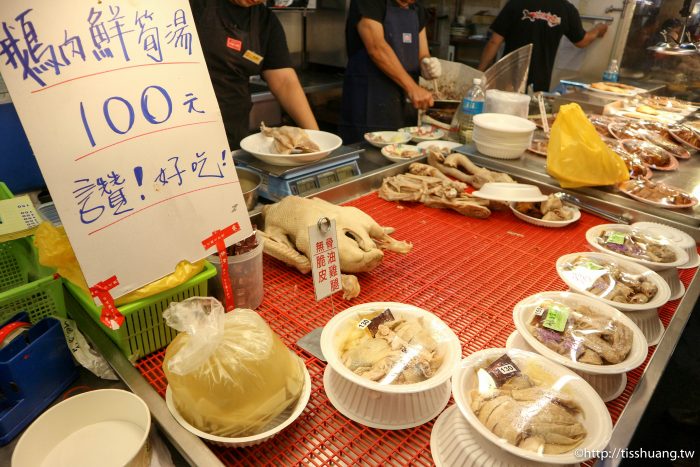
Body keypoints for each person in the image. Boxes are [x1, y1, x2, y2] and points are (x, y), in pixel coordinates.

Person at [190, 0, 318, 149]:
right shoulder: (193, 4)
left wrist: (315, 138)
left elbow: (284, 82)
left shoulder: (265, 21)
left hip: (232, 130)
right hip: (184, 122)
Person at [339, 0, 442, 143]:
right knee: (368, 158)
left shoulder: (416, 8)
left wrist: (427, 64)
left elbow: (422, 51)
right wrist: (412, 87)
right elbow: (377, 48)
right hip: (369, 101)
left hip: (404, 104)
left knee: (403, 154)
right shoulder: (369, 3)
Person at [478, 0, 608, 92]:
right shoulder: (566, 9)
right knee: (528, 120)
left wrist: (480, 72)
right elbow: (582, 41)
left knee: (501, 117)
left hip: (507, 75)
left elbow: (494, 42)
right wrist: (597, 30)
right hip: (539, 82)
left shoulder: (516, 3)